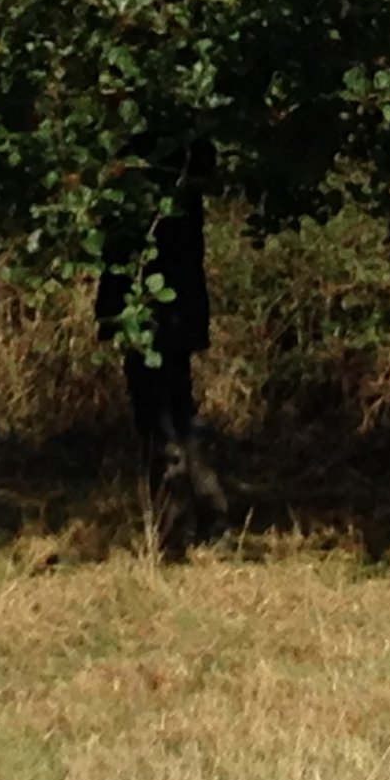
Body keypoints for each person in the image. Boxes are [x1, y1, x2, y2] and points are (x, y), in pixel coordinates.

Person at [96, 139, 229, 551]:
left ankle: (175, 527)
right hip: (180, 305)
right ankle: (210, 514)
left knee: (156, 415)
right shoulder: (190, 159)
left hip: (147, 307)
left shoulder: (130, 172)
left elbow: (112, 242)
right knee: (177, 405)